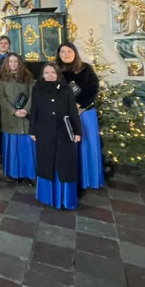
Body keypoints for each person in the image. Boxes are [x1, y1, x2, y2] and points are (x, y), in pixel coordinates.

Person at [29, 62, 81, 210]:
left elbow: (73, 112)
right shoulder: (37, 89)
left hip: (65, 132)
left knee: (64, 163)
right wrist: (32, 131)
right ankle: (47, 197)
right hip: (43, 132)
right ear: (42, 75)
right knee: (46, 162)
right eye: (46, 73)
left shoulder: (66, 90)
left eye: (52, 72)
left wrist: (77, 132)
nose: (50, 75)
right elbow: (34, 111)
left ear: (58, 74)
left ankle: (65, 199)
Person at [57, 41, 104, 190]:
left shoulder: (85, 68)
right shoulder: (55, 70)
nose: (66, 54)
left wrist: (79, 104)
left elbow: (93, 88)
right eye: (63, 52)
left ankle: (88, 179)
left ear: (75, 53)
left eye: (69, 51)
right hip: (64, 114)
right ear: (58, 54)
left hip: (84, 113)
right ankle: (72, 178)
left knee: (85, 144)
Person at [0, 53, 36, 183]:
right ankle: (14, 174)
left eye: (15, 61)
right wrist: (14, 111)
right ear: (6, 63)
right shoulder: (1, 78)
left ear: (19, 63)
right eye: (10, 61)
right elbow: (1, 98)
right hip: (10, 118)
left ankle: (28, 174)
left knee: (26, 149)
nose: (13, 64)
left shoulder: (28, 77)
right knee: (13, 149)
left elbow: (33, 95)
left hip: (26, 118)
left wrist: (26, 109)